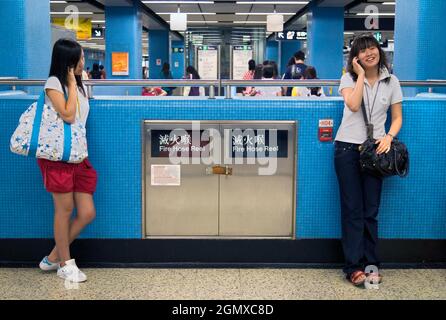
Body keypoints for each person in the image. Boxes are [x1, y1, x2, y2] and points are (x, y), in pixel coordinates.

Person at [334, 33, 403, 287]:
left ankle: (371, 263)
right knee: (352, 211)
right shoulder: (348, 78)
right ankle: (353, 266)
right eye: (362, 51)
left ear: (379, 50)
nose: (368, 53)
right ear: (355, 57)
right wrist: (360, 75)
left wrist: (389, 137)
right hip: (347, 150)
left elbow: (397, 117)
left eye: (372, 48)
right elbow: (353, 105)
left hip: (376, 152)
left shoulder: (391, 81)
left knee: (370, 212)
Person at [37, 39, 97, 283]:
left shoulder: (82, 86)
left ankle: (52, 257)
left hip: (78, 155)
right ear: (68, 62)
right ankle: (65, 263)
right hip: (58, 156)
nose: (84, 62)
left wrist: (76, 84)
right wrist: (71, 83)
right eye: (80, 59)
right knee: (65, 210)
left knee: (87, 212)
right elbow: (69, 115)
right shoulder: (54, 83)